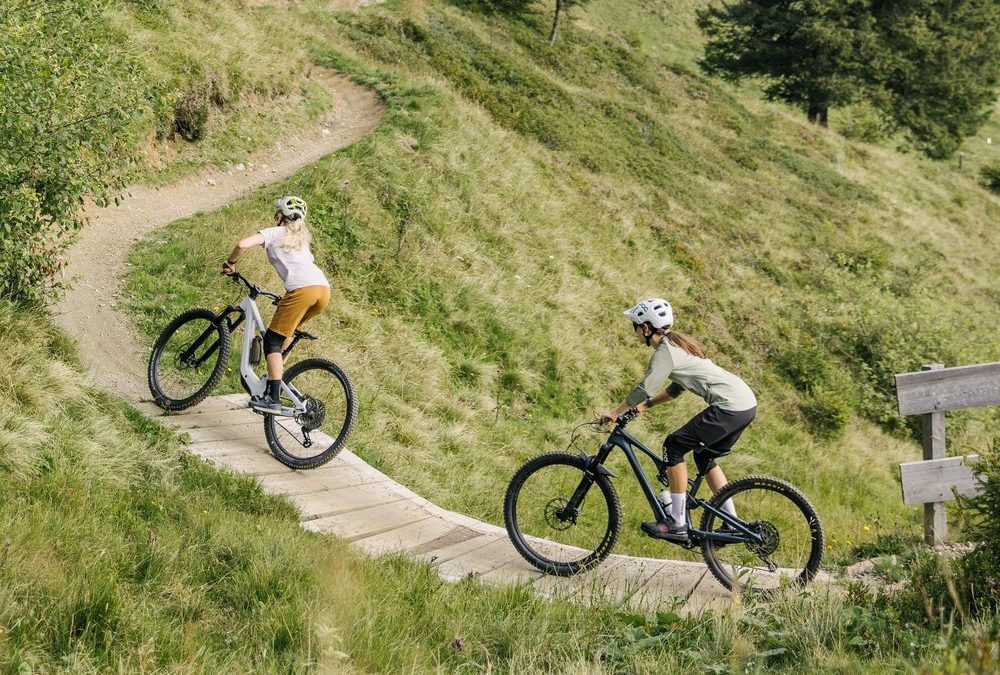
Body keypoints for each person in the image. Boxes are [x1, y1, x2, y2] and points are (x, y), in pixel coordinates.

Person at [601, 298, 757, 542]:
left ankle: (677, 522)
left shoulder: (666, 350)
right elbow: (676, 388)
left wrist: (615, 412)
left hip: (730, 406)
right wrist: (645, 406)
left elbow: (646, 387)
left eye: (635, 327)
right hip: (745, 404)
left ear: (646, 328)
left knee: (673, 446)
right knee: (703, 456)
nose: (634, 333)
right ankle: (731, 522)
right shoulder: (677, 345)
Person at [221, 196, 330, 414]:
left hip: (302, 291)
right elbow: (300, 268)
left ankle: (273, 399)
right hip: (323, 290)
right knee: (284, 334)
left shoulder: (274, 232)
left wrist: (231, 263)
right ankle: (274, 380)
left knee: (271, 339)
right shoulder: (301, 239)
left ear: (280, 216)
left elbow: (241, 245)